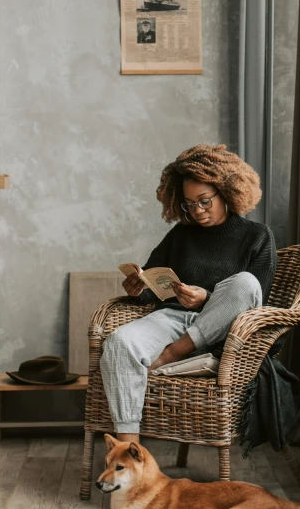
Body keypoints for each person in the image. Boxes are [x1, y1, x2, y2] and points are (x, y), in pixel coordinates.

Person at [100, 144, 277, 444]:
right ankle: (129, 451)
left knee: (245, 283)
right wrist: (138, 288)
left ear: (228, 192)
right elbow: (153, 286)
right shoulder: (181, 234)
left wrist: (206, 299)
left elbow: (256, 301)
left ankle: (173, 354)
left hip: (225, 330)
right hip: (172, 319)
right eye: (189, 204)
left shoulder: (257, 236)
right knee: (119, 342)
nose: (197, 211)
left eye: (205, 201)